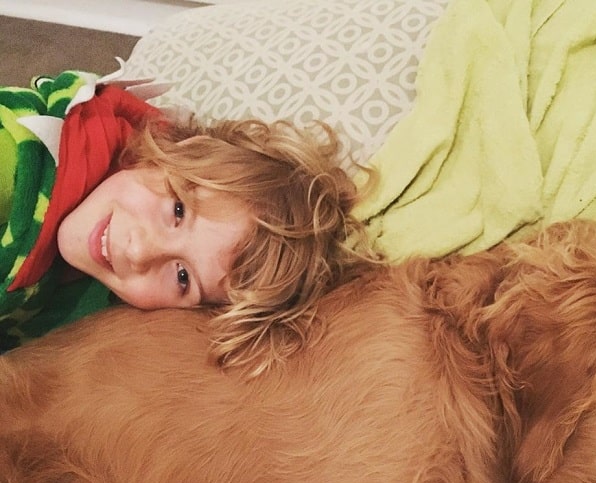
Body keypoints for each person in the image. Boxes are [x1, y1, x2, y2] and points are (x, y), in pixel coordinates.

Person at [0, 68, 373, 373]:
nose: (140, 249)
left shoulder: (99, 313)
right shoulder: (16, 161)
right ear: (163, 155)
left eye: (182, 277)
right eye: (178, 210)